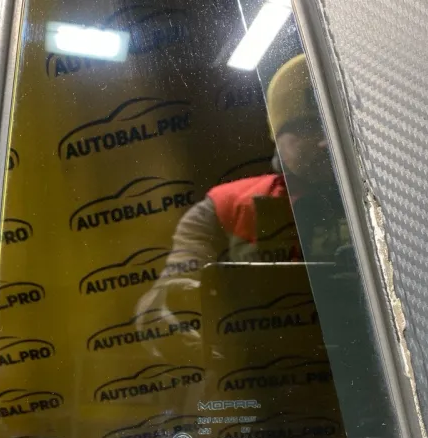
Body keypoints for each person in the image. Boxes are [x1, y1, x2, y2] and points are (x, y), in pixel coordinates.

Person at [136, 53, 352, 359]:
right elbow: (160, 305)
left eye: (338, 124)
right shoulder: (224, 208)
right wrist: (174, 312)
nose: (325, 141)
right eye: (308, 126)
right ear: (276, 136)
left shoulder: (385, 209)